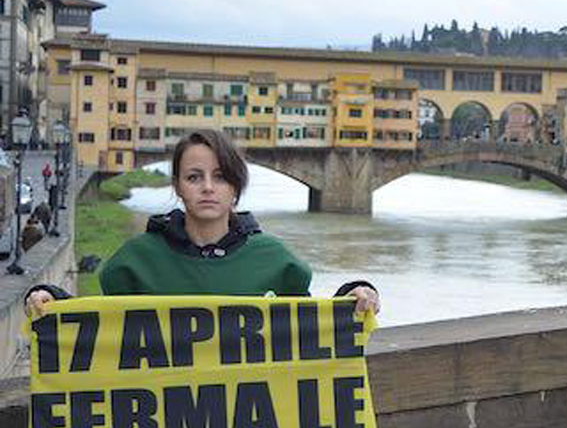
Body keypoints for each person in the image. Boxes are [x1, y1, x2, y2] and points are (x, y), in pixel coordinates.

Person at [25, 128, 378, 314]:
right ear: (177, 186)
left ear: (235, 188)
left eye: (220, 177)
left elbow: (310, 328)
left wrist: (353, 296)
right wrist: (52, 298)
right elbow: (100, 326)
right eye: (194, 177)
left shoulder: (276, 261)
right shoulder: (137, 260)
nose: (208, 188)